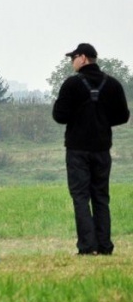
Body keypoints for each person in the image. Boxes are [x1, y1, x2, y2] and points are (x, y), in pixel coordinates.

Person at [52, 43, 129, 256]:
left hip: (77, 150)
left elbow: (59, 116)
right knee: (101, 196)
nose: (72, 62)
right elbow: (123, 116)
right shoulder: (112, 84)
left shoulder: (72, 84)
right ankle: (104, 246)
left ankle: (87, 246)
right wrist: (102, 120)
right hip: (103, 149)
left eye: (73, 57)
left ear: (83, 58)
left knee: (80, 196)